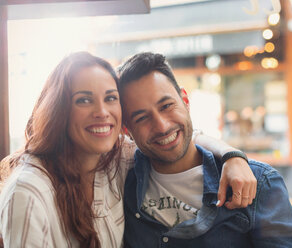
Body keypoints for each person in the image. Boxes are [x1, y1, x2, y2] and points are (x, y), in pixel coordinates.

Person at [0, 52, 257, 248]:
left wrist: (232, 156)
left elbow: (179, 135)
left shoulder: (114, 159)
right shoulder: (29, 191)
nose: (102, 112)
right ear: (59, 111)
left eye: (111, 98)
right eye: (84, 100)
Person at [118, 52, 292, 247]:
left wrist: (232, 155)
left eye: (166, 106)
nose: (162, 126)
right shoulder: (120, 181)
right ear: (126, 130)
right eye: (141, 118)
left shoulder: (259, 182)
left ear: (185, 101)